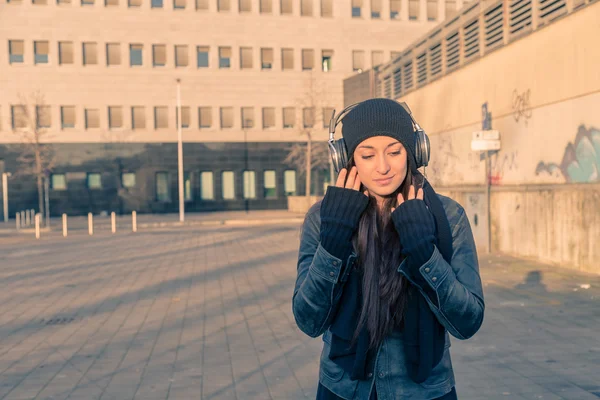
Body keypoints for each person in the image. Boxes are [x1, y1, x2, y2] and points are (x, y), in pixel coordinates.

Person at [292, 98, 485, 400]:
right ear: (348, 160)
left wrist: (424, 253)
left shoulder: (447, 217)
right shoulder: (324, 218)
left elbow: (468, 322)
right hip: (343, 390)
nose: (382, 167)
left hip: (425, 392)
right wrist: (334, 240)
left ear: (414, 152)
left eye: (394, 152)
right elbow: (308, 319)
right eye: (367, 155)